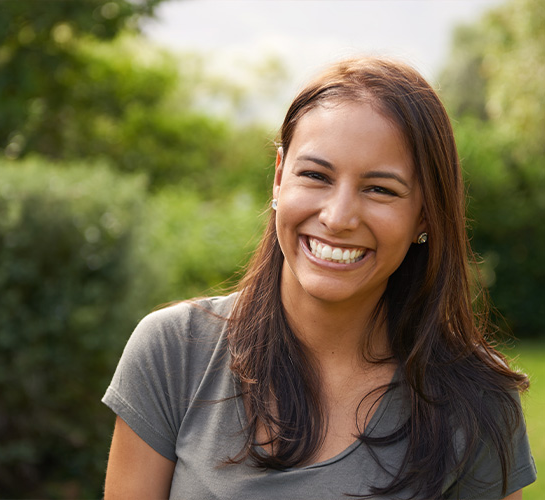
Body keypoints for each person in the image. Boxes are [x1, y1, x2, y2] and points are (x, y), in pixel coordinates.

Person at [102, 57, 537, 499]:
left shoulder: (478, 401)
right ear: (278, 177)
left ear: (425, 213)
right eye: (315, 175)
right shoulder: (173, 353)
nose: (338, 217)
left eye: (380, 189)